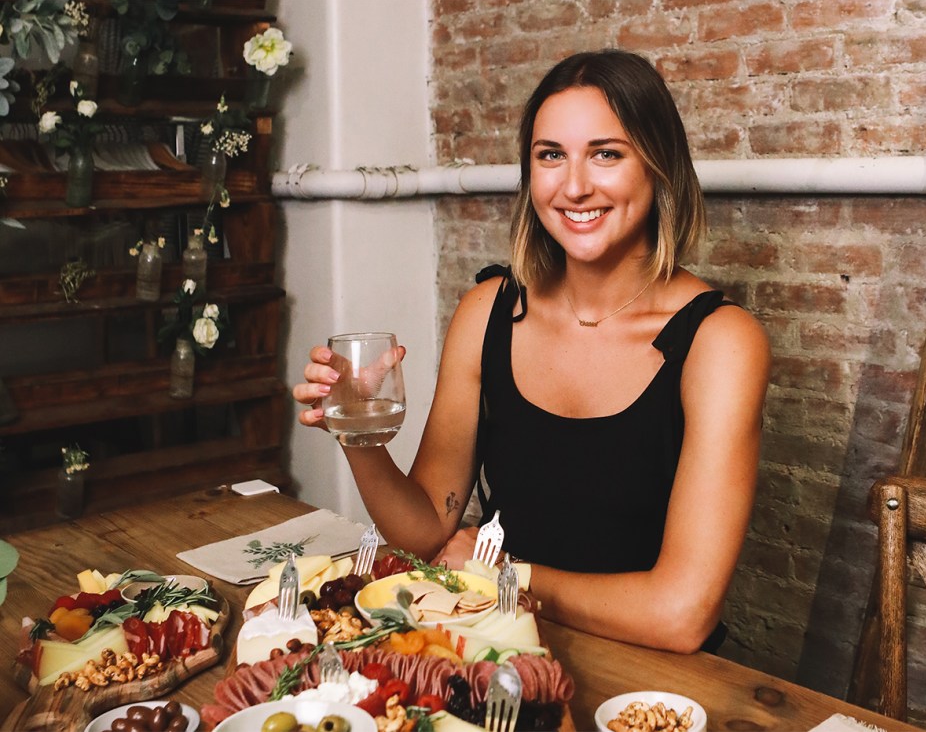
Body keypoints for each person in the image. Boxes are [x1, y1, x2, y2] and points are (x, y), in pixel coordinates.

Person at [292, 49, 770, 654]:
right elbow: (424, 531)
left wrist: (504, 576)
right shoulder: (488, 311)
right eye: (551, 155)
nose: (574, 185)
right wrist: (357, 432)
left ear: (659, 166)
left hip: (655, 686)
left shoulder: (721, 342)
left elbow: (681, 616)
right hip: (500, 649)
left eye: (607, 153)